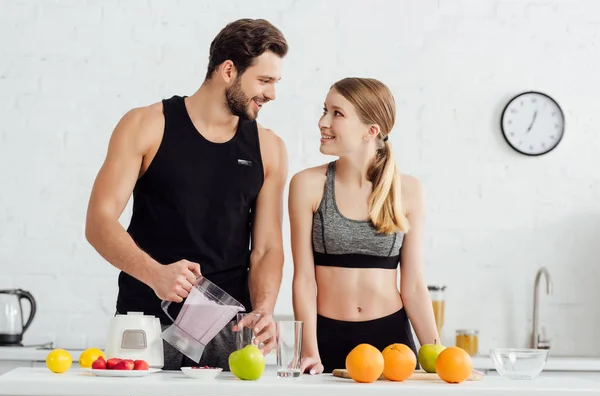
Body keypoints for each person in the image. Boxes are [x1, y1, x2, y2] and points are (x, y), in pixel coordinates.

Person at [85, 18, 289, 370]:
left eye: (275, 82)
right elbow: (98, 222)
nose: (272, 93)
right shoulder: (146, 124)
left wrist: (264, 310)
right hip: (145, 325)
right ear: (228, 70)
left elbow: (268, 248)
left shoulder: (269, 148)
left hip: (230, 332)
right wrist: (154, 274)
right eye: (264, 80)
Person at [288, 77, 440, 374]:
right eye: (324, 110)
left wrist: (440, 356)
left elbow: (413, 287)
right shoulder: (307, 185)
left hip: (393, 341)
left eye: (337, 113)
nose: (323, 121)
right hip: (325, 340)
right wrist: (308, 351)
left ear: (371, 131)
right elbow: (304, 280)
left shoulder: (407, 190)